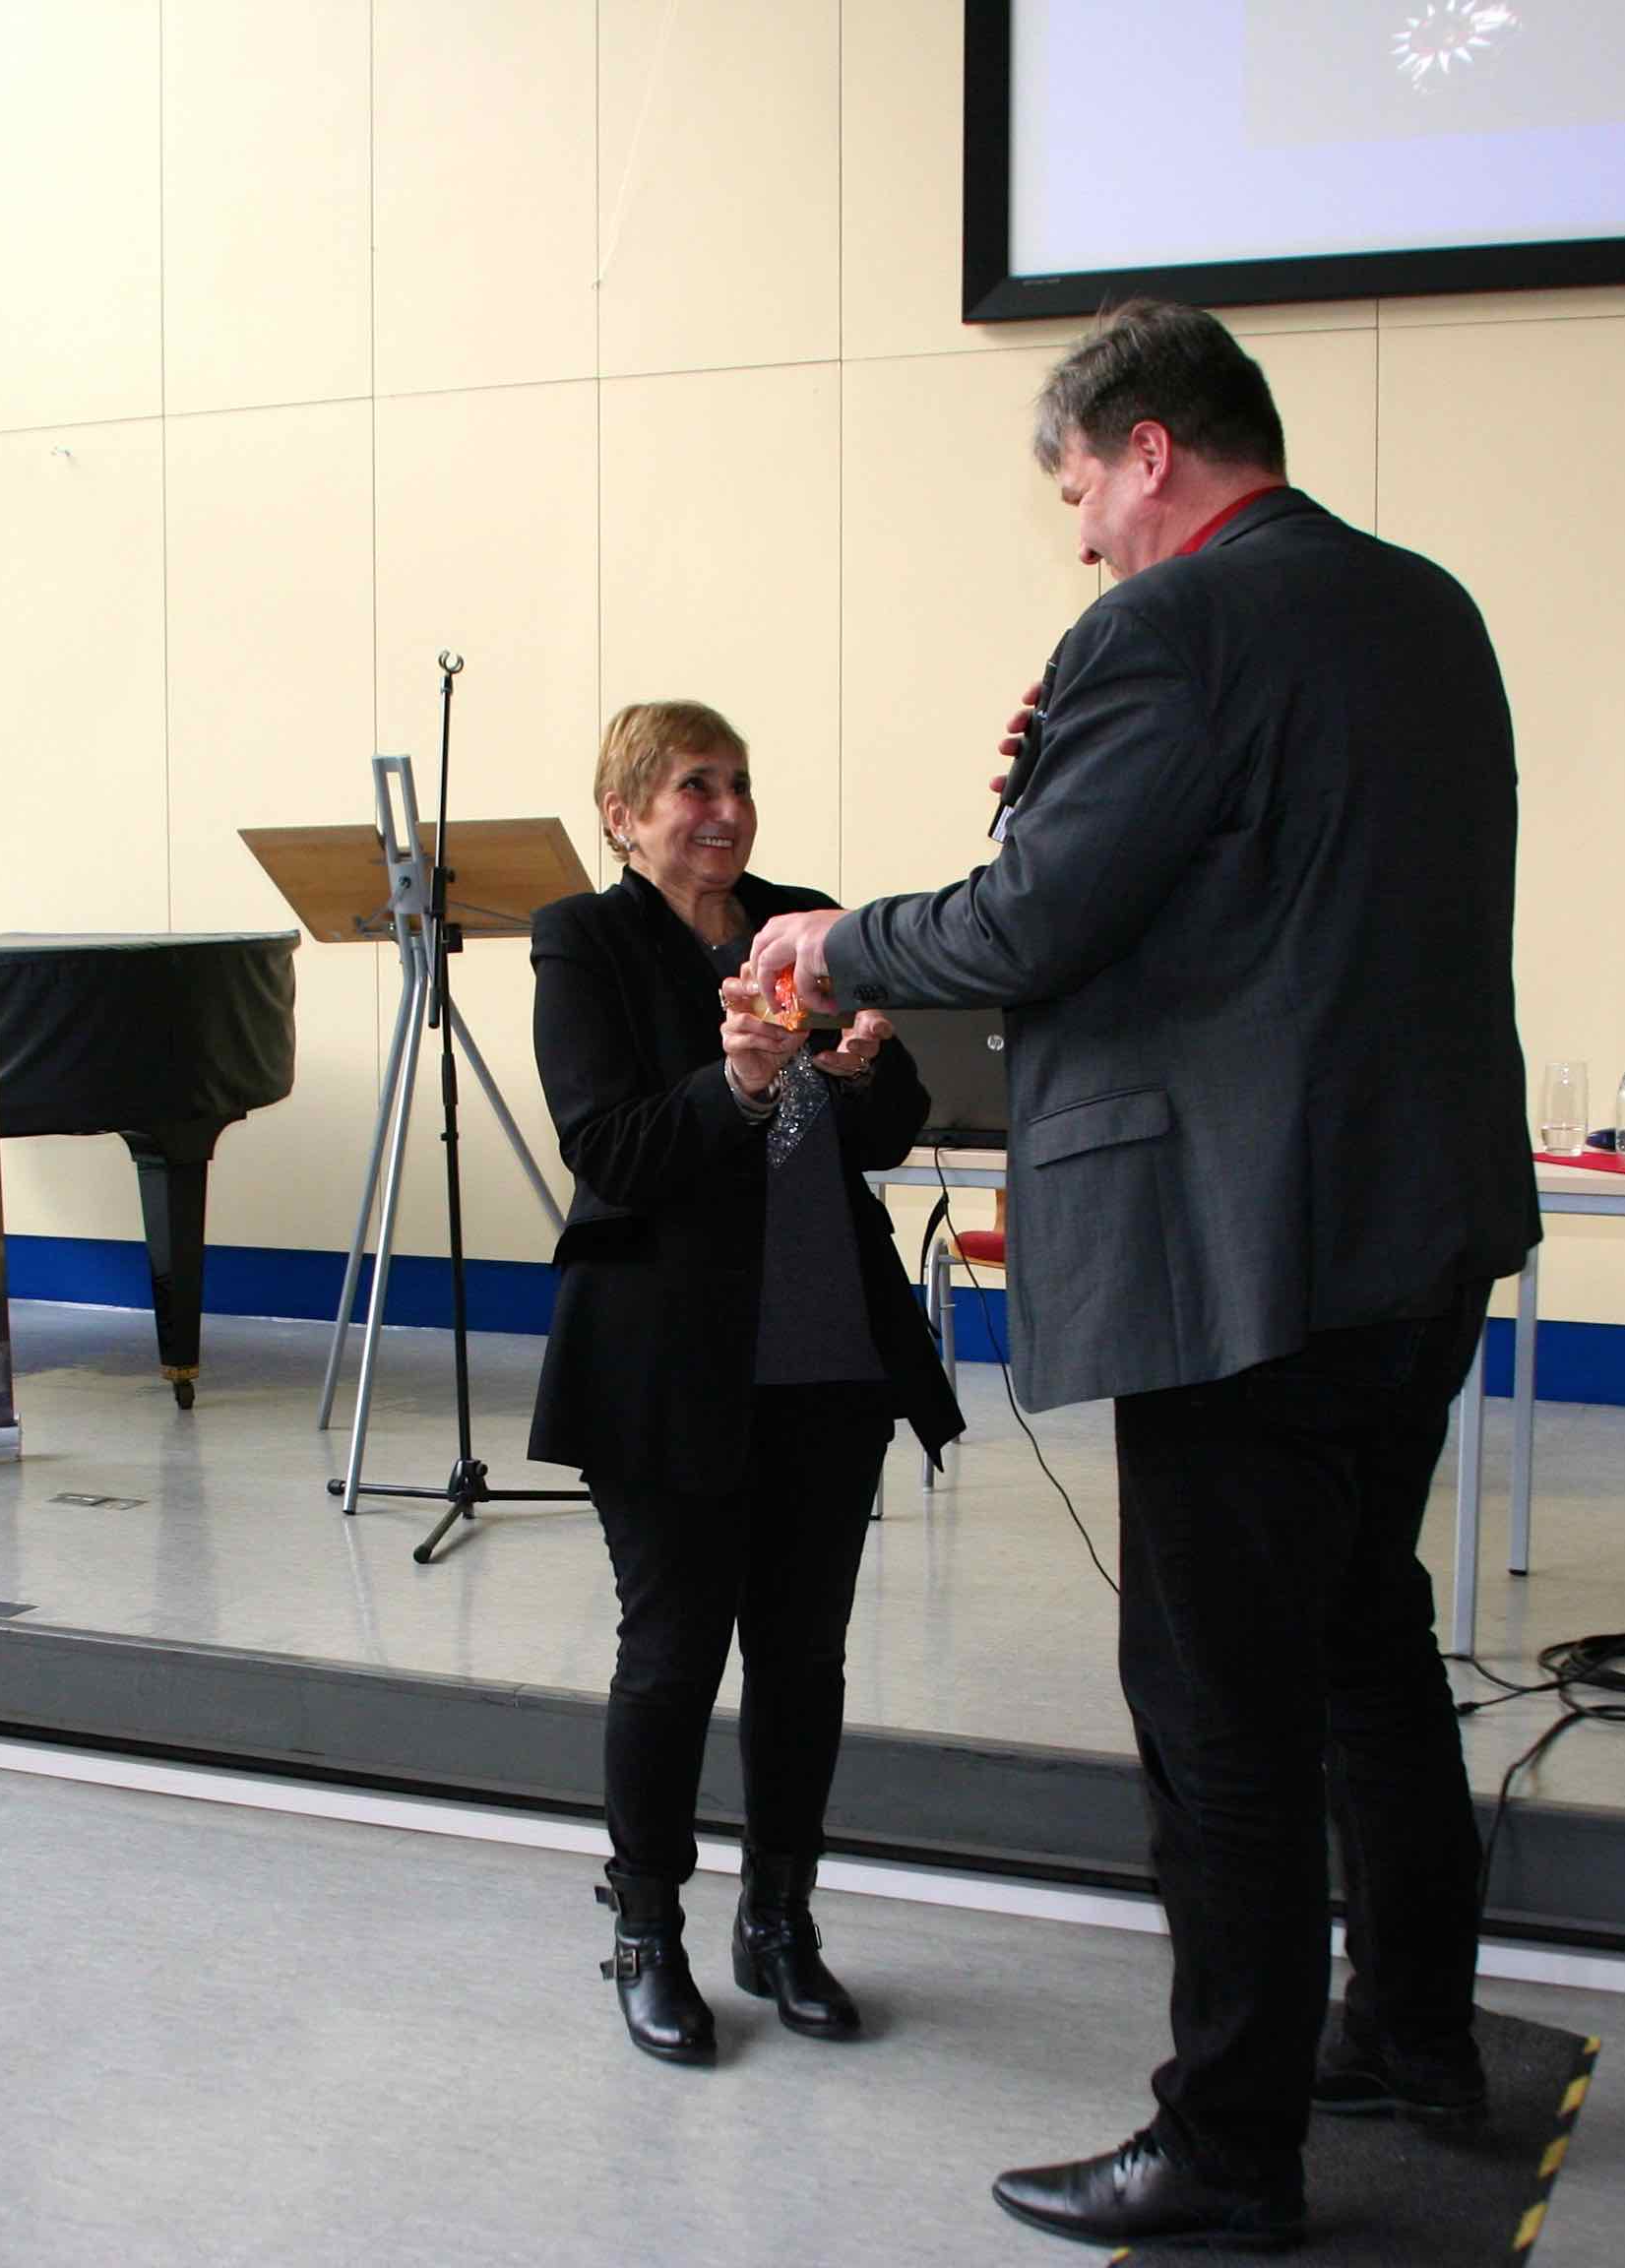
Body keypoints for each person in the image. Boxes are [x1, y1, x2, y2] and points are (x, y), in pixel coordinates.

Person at [745, 301, 1537, 2249]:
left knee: (1216, 1701)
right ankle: (1411, 2032)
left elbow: (1041, 920)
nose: (1083, 532)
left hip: (1241, 1247)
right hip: (1419, 1223)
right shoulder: (1426, 609)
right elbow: (1264, 892)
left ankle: (1228, 2149)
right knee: (1363, 1635)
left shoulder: (1166, 627)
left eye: (1082, 488)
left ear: (1152, 449)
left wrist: (839, 943)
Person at [528, 700, 964, 2067]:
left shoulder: (800, 924)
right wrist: (736, 1085)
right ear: (623, 815)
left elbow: (891, 1128)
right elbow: (610, 1148)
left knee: (803, 1656)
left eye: (739, 784)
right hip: (665, 1361)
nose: (725, 810)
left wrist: (858, 1068)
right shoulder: (585, 939)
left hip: (827, 1350)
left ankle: (779, 1920)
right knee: (671, 1657)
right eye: (692, 787)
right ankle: (647, 1931)